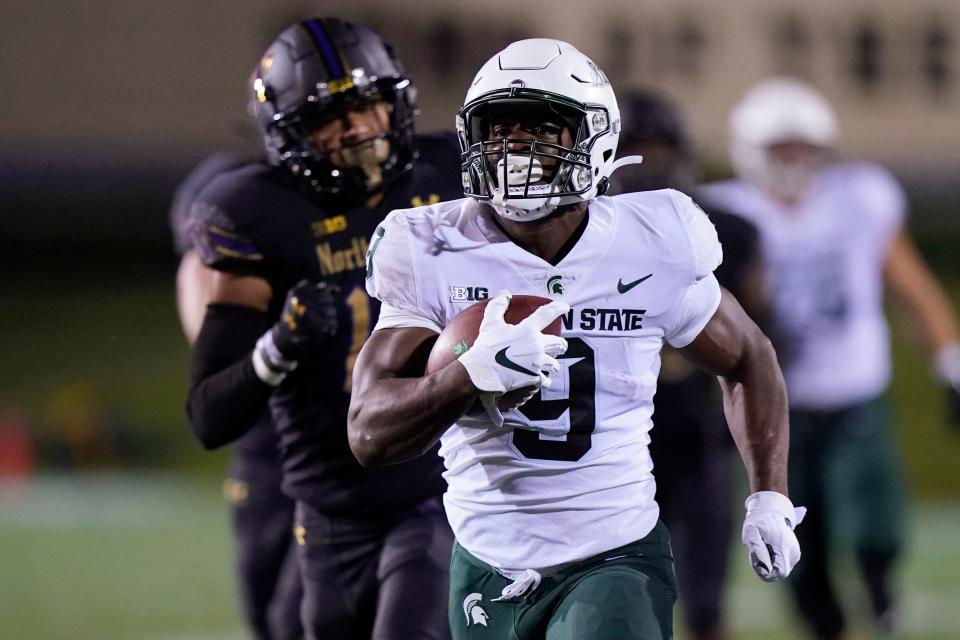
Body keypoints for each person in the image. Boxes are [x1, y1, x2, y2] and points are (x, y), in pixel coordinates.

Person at [348, 39, 804, 640]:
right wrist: (466, 376)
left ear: (595, 136)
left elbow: (748, 356)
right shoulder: (431, 248)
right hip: (485, 560)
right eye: (499, 127)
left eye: (541, 127)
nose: (515, 146)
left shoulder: (652, 239)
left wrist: (770, 495)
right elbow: (367, 433)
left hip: (614, 552)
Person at [184, 18, 464, 640]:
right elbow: (209, 415)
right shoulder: (257, 213)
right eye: (329, 117)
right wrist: (277, 347)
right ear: (287, 135)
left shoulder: (452, 176)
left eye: (370, 105)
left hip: (440, 485)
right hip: (329, 508)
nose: (359, 129)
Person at [699, 77, 960, 639]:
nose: (793, 161)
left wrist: (952, 364)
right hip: (775, 408)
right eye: (780, 149)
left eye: (802, 148)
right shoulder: (725, 216)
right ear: (751, 151)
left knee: (876, 526)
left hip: (852, 393)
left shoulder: (859, 198)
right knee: (799, 548)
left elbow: (910, 285)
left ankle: (880, 587)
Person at [608, 90, 769, 640]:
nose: (645, 163)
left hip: (698, 429)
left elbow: (758, 341)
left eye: (654, 148)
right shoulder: (580, 239)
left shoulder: (725, 229)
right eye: (632, 149)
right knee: (619, 594)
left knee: (705, 597)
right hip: (616, 441)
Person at [171, 151, 304, 640]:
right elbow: (216, 364)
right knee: (267, 611)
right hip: (264, 449)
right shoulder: (208, 251)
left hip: (314, 447)